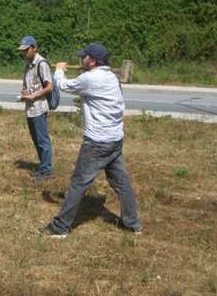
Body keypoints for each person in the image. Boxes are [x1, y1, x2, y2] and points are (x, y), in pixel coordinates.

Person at [40, 43, 142, 238]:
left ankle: (60, 227)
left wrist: (59, 70)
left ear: (92, 61)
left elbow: (62, 85)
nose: (81, 59)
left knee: (78, 183)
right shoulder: (111, 77)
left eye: (84, 56)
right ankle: (133, 224)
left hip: (97, 143)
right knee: (122, 183)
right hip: (115, 141)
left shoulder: (90, 78)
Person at [18, 35, 54, 180]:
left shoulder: (41, 63)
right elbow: (30, 86)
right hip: (30, 108)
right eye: (22, 51)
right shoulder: (28, 64)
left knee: (42, 140)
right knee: (36, 139)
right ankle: (43, 167)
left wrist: (33, 96)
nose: (24, 53)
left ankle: (47, 171)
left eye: (26, 50)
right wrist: (25, 93)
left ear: (34, 48)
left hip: (39, 107)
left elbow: (49, 87)